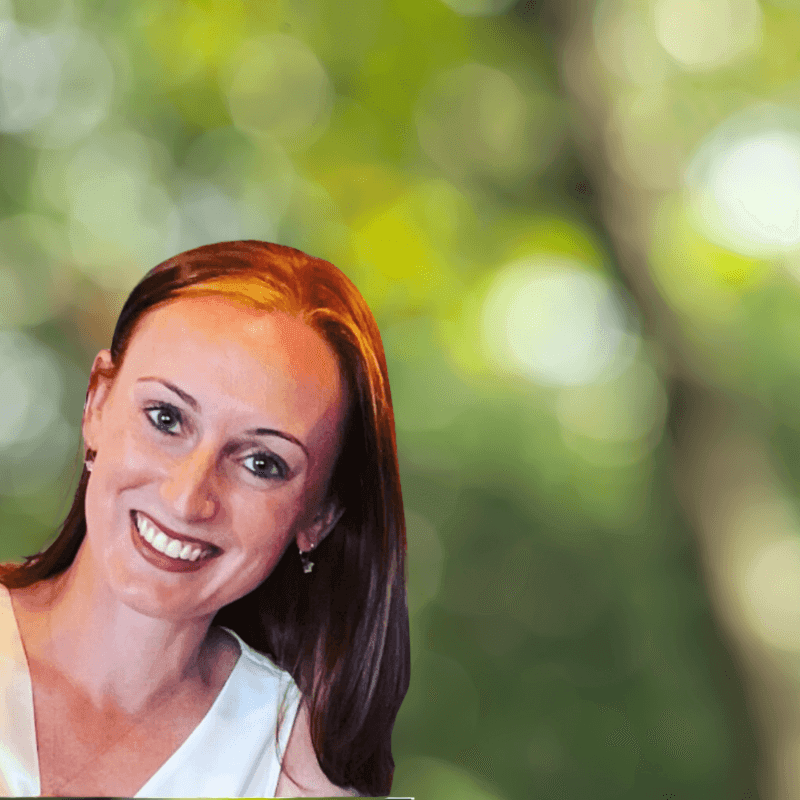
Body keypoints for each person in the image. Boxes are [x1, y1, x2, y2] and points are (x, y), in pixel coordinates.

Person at [0, 241, 410, 797]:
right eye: (166, 418)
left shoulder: (298, 780)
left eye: (262, 463)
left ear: (321, 515)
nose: (187, 497)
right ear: (97, 404)